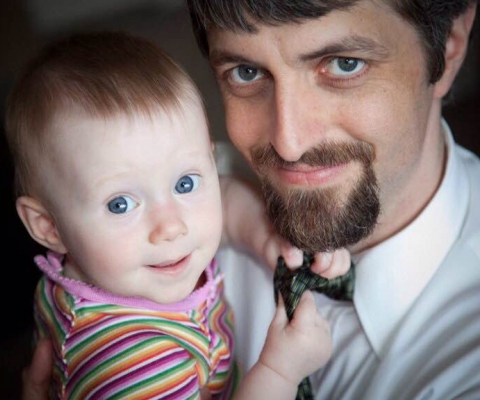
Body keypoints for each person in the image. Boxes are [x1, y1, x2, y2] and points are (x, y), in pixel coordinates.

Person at [24, 0, 480, 398]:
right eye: (246, 72)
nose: (289, 143)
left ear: (449, 45)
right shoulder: (170, 190)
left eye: (344, 64)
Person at [7, 31, 350, 399]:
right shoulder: (131, 363)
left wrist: (268, 237)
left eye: (184, 183)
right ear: (49, 226)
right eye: (121, 204)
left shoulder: (107, 264)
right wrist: (280, 370)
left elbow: (223, 194)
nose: (171, 226)